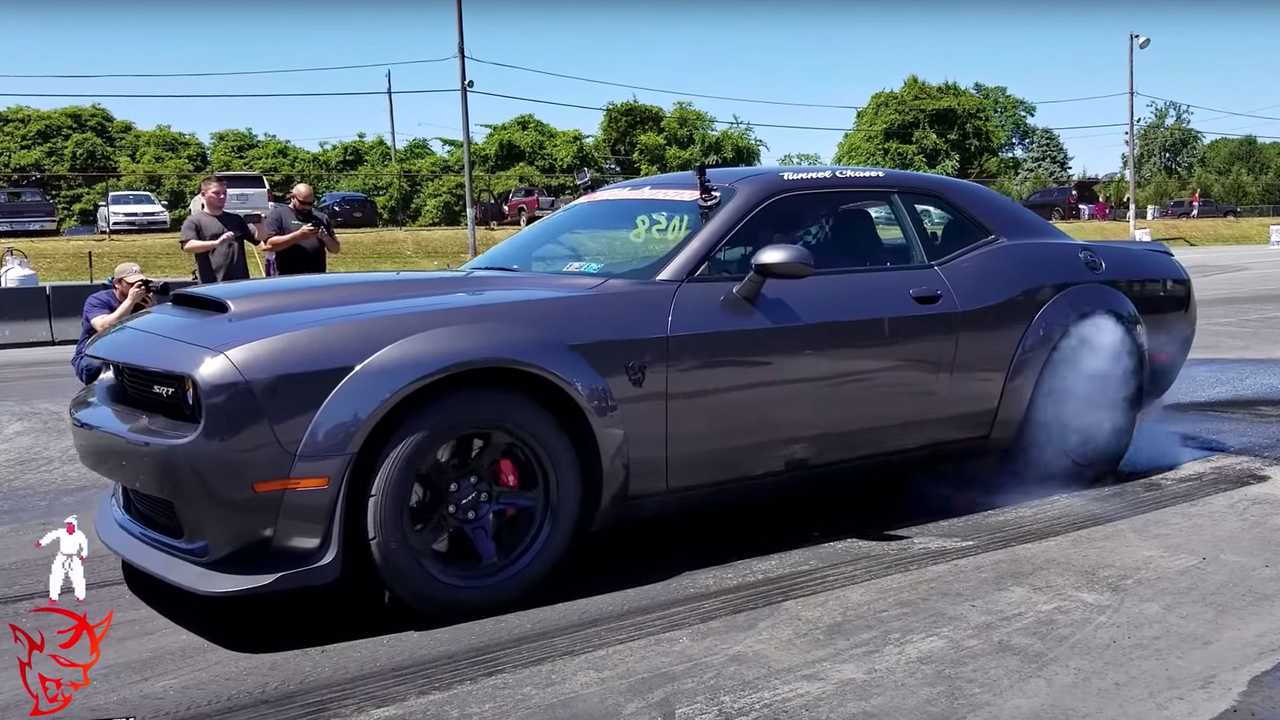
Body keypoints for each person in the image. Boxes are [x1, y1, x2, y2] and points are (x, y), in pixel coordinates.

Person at [70, 261, 154, 385]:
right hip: (94, 353)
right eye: (131, 283)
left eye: (140, 283)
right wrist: (130, 301)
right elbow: (103, 327)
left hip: (126, 352)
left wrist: (149, 312)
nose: (137, 287)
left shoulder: (142, 303)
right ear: (117, 283)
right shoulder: (98, 300)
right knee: (96, 367)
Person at [180, 175, 262, 283]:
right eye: (216, 193)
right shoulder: (194, 221)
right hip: (211, 283)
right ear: (203, 195)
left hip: (240, 282)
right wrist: (216, 243)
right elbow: (188, 246)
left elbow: (259, 239)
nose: (222, 196)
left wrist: (260, 225)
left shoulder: (236, 219)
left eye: (225, 193)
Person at [260, 183, 340, 275]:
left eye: (310, 203)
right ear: (293, 197)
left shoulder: (321, 218)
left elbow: (336, 249)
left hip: (316, 277)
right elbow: (269, 245)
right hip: (286, 277)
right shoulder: (278, 215)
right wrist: (299, 235)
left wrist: (326, 238)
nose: (307, 207)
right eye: (303, 203)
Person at [36, 515, 88, 604]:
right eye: (67, 524)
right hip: (62, 557)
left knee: (78, 577)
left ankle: (80, 597)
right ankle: (53, 598)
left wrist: (83, 555)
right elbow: (51, 535)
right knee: (56, 577)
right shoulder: (61, 532)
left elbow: (84, 545)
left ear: (74, 525)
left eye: (70, 524)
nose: (68, 526)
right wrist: (41, 542)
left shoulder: (79, 535)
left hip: (74, 558)